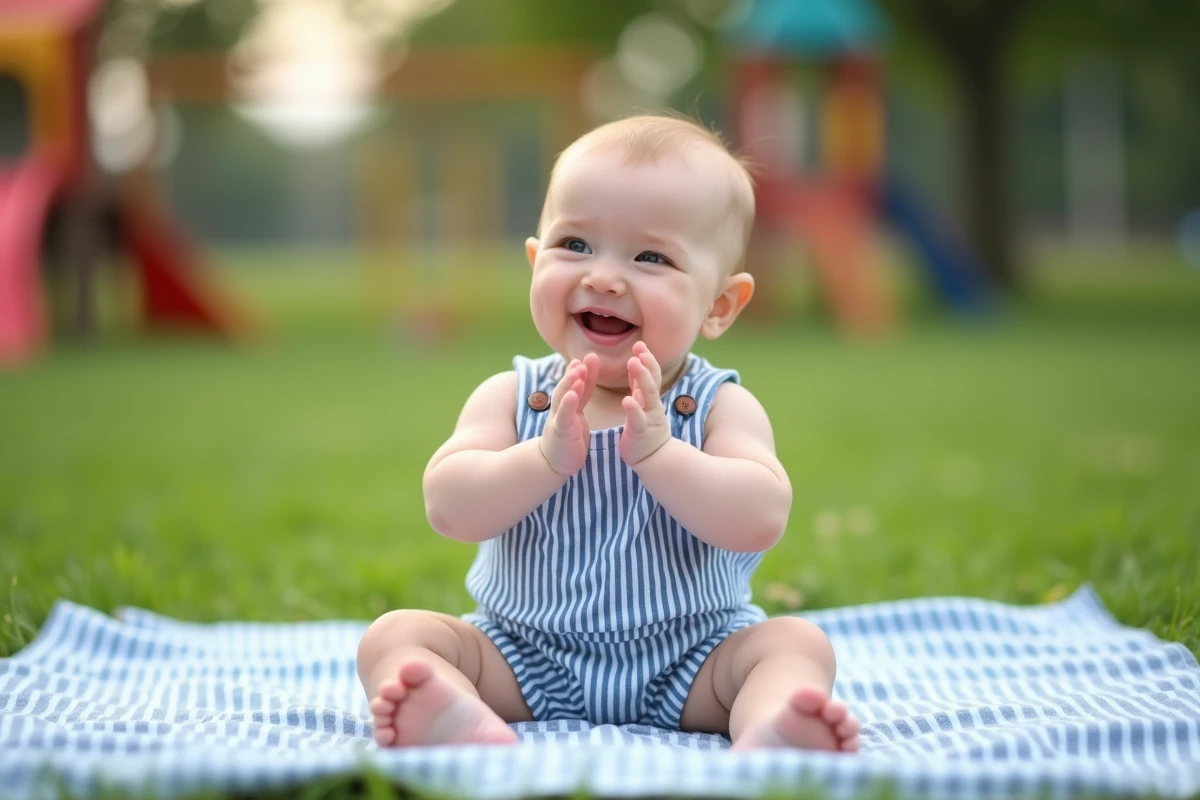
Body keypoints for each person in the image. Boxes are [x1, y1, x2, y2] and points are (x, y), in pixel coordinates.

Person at [356, 114, 861, 753]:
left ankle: (774, 722)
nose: (603, 277)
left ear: (720, 306)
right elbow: (448, 507)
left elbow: (760, 517)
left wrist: (661, 454)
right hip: (522, 657)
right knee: (396, 636)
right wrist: (540, 459)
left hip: (692, 662)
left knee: (793, 645)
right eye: (575, 246)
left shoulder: (715, 407)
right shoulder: (515, 397)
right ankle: (453, 716)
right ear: (536, 262)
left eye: (651, 257)